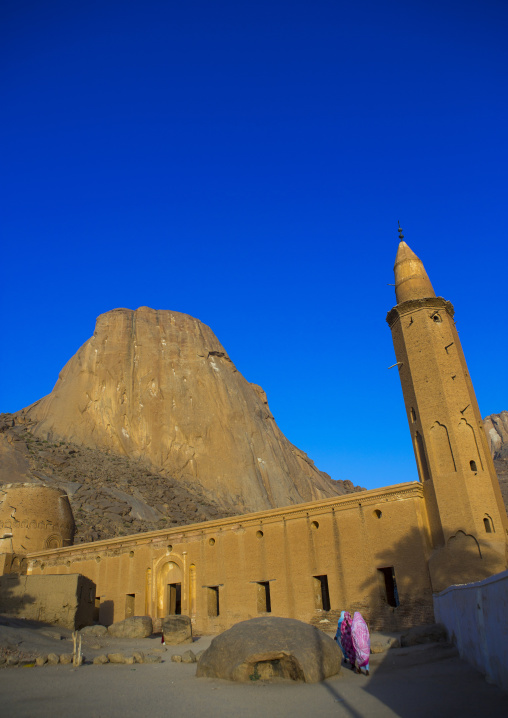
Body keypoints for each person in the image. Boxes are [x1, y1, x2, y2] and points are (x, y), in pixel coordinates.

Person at [351, 611, 370, 676]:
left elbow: (352, 633)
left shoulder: (354, 623)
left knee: (359, 655)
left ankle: (359, 669)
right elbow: (367, 632)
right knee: (365, 656)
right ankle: (367, 670)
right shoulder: (363, 622)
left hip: (358, 643)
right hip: (365, 642)